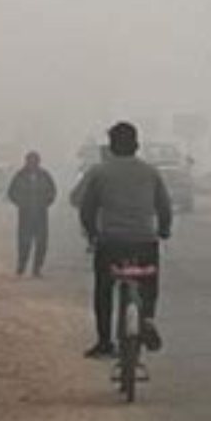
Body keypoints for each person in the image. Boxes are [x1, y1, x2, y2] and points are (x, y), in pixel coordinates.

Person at [80, 122, 172, 358]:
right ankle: (148, 318)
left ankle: (104, 341)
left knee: (104, 289)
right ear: (137, 145)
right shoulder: (151, 172)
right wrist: (163, 231)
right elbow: (164, 206)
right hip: (144, 243)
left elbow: (87, 208)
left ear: (110, 146)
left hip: (111, 243)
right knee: (148, 282)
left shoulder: (100, 172)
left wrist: (92, 233)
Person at [7, 151, 57, 277]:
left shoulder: (45, 175)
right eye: (30, 161)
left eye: (35, 161)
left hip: (41, 215)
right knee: (24, 242)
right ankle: (21, 266)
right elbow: (11, 192)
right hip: (25, 215)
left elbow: (52, 191)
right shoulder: (19, 175)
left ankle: (37, 268)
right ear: (26, 162)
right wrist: (20, 203)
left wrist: (46, 203)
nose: (33, 164)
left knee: (41, 243)